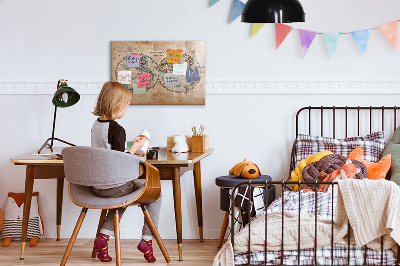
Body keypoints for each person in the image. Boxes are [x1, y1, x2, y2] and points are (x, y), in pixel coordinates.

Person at [91, 81, 161, 263]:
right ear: (118, 105)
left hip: (97, 186)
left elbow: (108, 154)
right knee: (156, 194)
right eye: (127, 105)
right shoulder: (117, 129)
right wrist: (135, 149)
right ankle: (147, 240)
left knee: (121, 198)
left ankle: (103, 238)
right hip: (114, 186)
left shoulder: (96, 125)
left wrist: (130, 149)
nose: (127, 109)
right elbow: (118, 161)